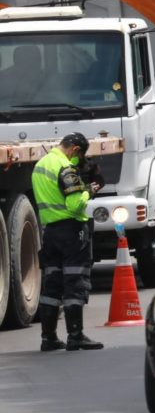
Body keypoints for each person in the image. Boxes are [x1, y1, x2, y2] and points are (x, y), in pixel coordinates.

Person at [32, 133, 103, 352]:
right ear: (74, 149)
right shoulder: (66, 168)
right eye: (80, 154)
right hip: (71, 232)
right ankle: (76, 336)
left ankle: (49, 338)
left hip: (50, 232)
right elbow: (74, 206)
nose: (79, 158)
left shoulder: (40, 165)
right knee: (75, 281)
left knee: (51, 284)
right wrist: (88, 191)